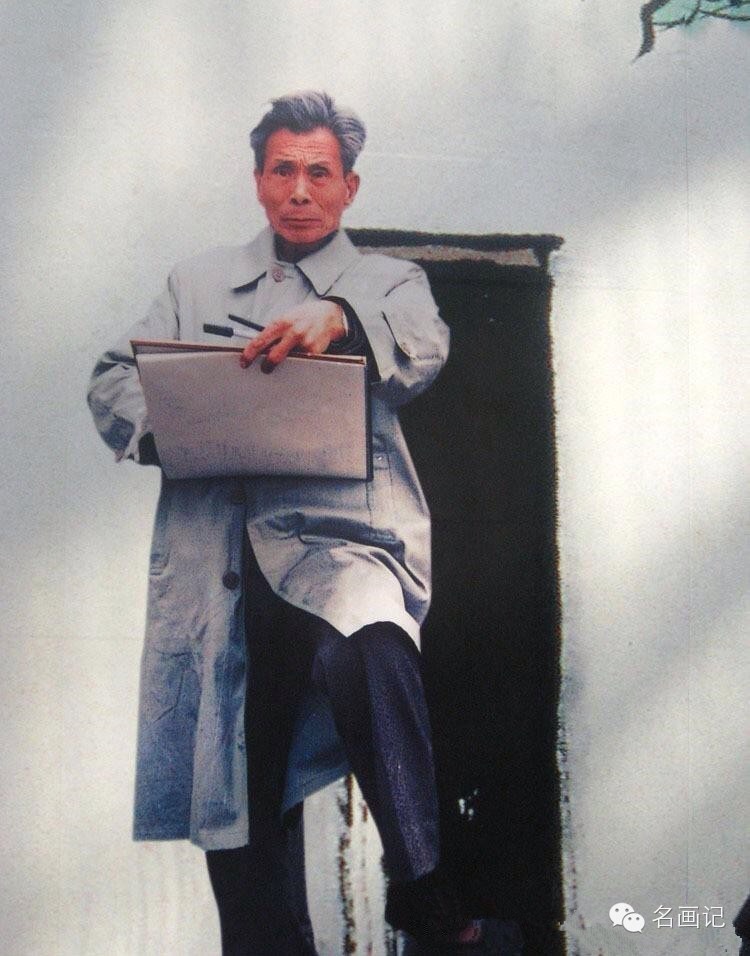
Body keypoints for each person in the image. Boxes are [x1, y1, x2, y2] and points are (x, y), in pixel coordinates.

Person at [88, 91, 481, 954]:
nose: (300, 191)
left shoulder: (388, 282)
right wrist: (172, 422)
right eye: (282, 171)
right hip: (219, 562)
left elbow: (424, 345)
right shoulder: (194, 282)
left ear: (349, 187)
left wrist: (338, 319)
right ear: (259, 180)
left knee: (373, 646)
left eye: (319, 173)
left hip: (338, 543)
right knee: (239, 792)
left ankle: (422, 880)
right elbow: (114, 377)